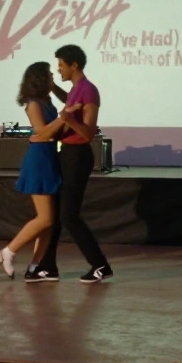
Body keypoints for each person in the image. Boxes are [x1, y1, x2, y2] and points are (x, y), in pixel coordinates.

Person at [32, 44, 114, 284]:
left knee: (69, 216)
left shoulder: (88, 90)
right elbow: (69, 101)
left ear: (73, 65)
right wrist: (55, 89)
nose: (58, 71)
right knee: (56, 213)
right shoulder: (77, 89)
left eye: (61, 66)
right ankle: (48, 267)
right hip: (67, 153)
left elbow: (88, 133)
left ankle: (100, 265)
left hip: (78, 155)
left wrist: (66, 118)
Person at [0, 63, 66, 279]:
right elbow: (43, 132)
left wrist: (54, 88)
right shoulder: (33, 104)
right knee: (45, 219)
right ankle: (8, 251)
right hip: (39, 160)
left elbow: (70, 101)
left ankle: (35, 266)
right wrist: (64, 118)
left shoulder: (47, 100)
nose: (52, 75)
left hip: (50, 157)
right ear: (38, 79)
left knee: (50, 220)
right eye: (48, 74)